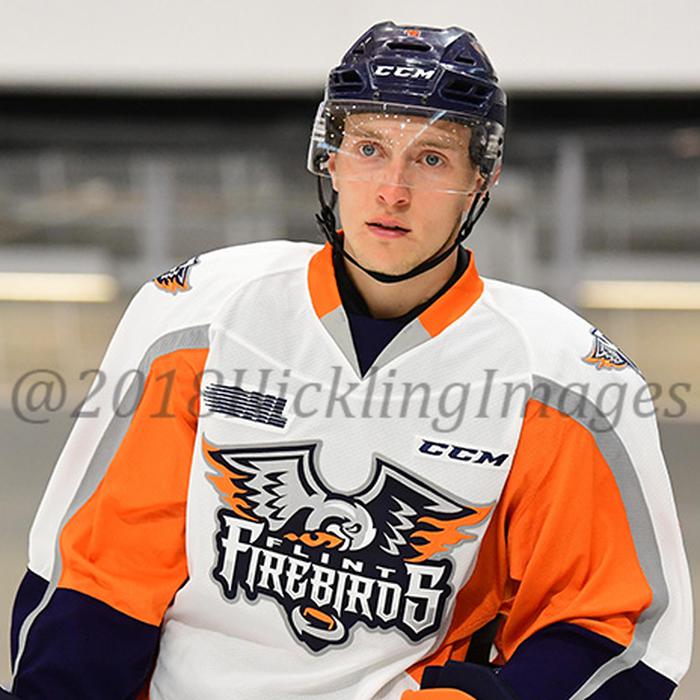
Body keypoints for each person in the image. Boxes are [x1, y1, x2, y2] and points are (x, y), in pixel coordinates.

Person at [4, 21, 692, 700]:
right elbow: (101, 567)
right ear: (329, 158)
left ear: (483, 180)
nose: (392, 190)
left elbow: (614, 628)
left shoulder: (563, 377)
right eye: (369, 148)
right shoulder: (202, 314)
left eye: (432, 160)